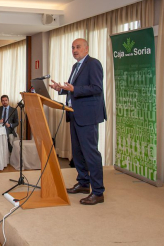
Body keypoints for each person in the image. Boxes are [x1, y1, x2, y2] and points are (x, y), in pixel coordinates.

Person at [49, 38, 107, 205]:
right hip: (75, 114)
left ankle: (98, 192)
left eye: (78, 47)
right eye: (73, 47)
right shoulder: (76, 66)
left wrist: (73, 88)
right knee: (78, 152)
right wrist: (61, 89)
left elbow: (97, 88)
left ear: (86, 48)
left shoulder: (93, 64)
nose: (75, 50)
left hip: (88, 116)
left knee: (91, 153)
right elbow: (74, 90)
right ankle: (83, 183)